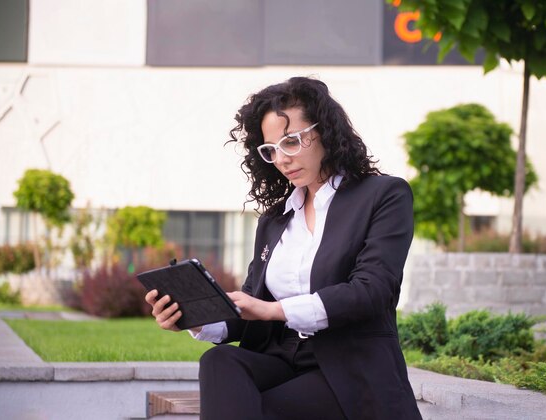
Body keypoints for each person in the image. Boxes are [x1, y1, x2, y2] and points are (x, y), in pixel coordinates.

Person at [145, 77, 422, 420]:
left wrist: (273, 310)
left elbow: (372, 291)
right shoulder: (275, 220)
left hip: (346, 368)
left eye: (292, 141)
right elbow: (251, 307)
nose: (282, 158)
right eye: (271, 149)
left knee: (260, 410)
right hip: (278, 358)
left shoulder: (383, 196)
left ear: (327, 132)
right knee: (219, 359)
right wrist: (194, 318)